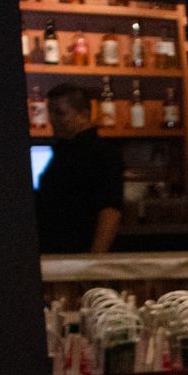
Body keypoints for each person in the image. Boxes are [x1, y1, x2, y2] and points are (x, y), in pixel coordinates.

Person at [36, 84, 123, 254]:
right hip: (63, 255)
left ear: (84, 114)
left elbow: (110, 210)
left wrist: (93, 261)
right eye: (50, 112)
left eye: (60, 113)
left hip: (77, 254)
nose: (52, 119)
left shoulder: (100, 153)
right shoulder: (65, 150)